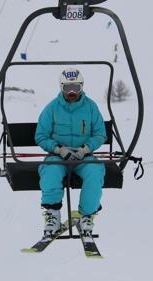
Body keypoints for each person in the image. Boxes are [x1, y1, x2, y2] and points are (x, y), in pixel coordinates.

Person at [35, 68, 107, 237]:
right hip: (59, 156)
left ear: (82, 86)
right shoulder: (52, 108)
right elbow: (41, 135)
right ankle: (52, 214)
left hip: (83, 156)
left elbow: (100, 133)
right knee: (50, 169)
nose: (72, 92)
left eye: (76, 87)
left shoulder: (90, 107)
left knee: (95, 170)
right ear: (61, 88)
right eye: (68, 88)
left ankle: (87, 215)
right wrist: (58, 149)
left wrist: (85, 149)